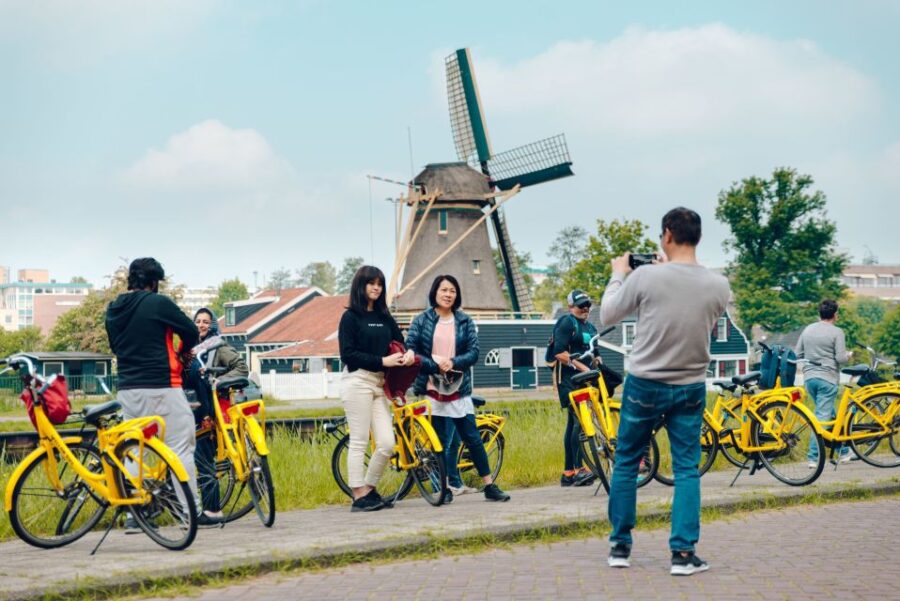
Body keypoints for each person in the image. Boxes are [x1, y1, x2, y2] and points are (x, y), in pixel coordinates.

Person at [599, 208, 730, 576]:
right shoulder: (719, 285)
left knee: (626, 462)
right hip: (690, 384)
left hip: (644, 384)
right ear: (698, 237)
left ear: (668, 234)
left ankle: (620, 546)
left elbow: (608, 314)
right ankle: (683, 554)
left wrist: (618, 274)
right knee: (687, 469)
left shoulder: (644, 278)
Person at [105, 258, 222, 526]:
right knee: (181, 446)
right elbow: (191, 332)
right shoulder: (158, 303)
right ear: (154, 282)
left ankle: (135, 516)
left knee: (135, 449)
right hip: (162, 385)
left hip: (127, 389)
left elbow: (115, 346)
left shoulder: (114, 308)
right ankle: (188, 514)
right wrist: (181, 353)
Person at [406, 275, 510, 503]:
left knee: (472, 437)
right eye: (443, 290)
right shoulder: (421, 320)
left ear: (457, 294)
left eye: (452, 290)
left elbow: (474, 352)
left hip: (458, 388)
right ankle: (444, 489)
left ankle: (489, 485)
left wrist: (452, 362)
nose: (448, 294)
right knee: (439, 441)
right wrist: (435, 364)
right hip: (432, 387)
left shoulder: (464, 321)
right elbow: (411, 350)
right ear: (435, 292)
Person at [338, 265, 414, 512]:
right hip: (357, 380)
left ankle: (368, 489)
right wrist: (383, 361)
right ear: (361, 286)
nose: (376, 287)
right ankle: (358, 494)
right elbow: (348, 354)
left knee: (387, 443)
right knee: (359, 440)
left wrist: (408, 353)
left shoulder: (384, 317)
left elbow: (400, 342)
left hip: (380, 384)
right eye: (371, 283)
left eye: (380, 284)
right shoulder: (350, 317)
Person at [186, 307, 249, 516]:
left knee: (203, 457)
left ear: (212, 325)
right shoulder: (190, 348)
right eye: (197, 321)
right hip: (191, 407)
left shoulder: (217, 346)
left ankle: (212, 509)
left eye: (205, 321)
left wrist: (218, 380)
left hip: (210, 410)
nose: (201, 325)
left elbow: (241, 367)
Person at [795, 299, 852, 466]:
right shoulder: (837, 332)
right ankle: (813, 457)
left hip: (810, 379)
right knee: (821, 419)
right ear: (835, 315)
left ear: (819, 313)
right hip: (828, 379)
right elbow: (840, 358)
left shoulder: (808, 329)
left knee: (830, 415)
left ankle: (843, 451)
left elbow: (797, 354)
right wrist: (848, 356)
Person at [551, 289, 599, 487]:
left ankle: (568, 472)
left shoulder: (590, 327)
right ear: (571, 307)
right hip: (569, 379)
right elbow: (559, 352)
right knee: (580, 422)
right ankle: (578, 469)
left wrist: (597, 364)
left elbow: (595, 352)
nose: (585, 308)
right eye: (581, 305)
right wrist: (580, 366)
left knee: (573, 423)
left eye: (587, 304)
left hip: (585, 379)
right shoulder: (566, 322)